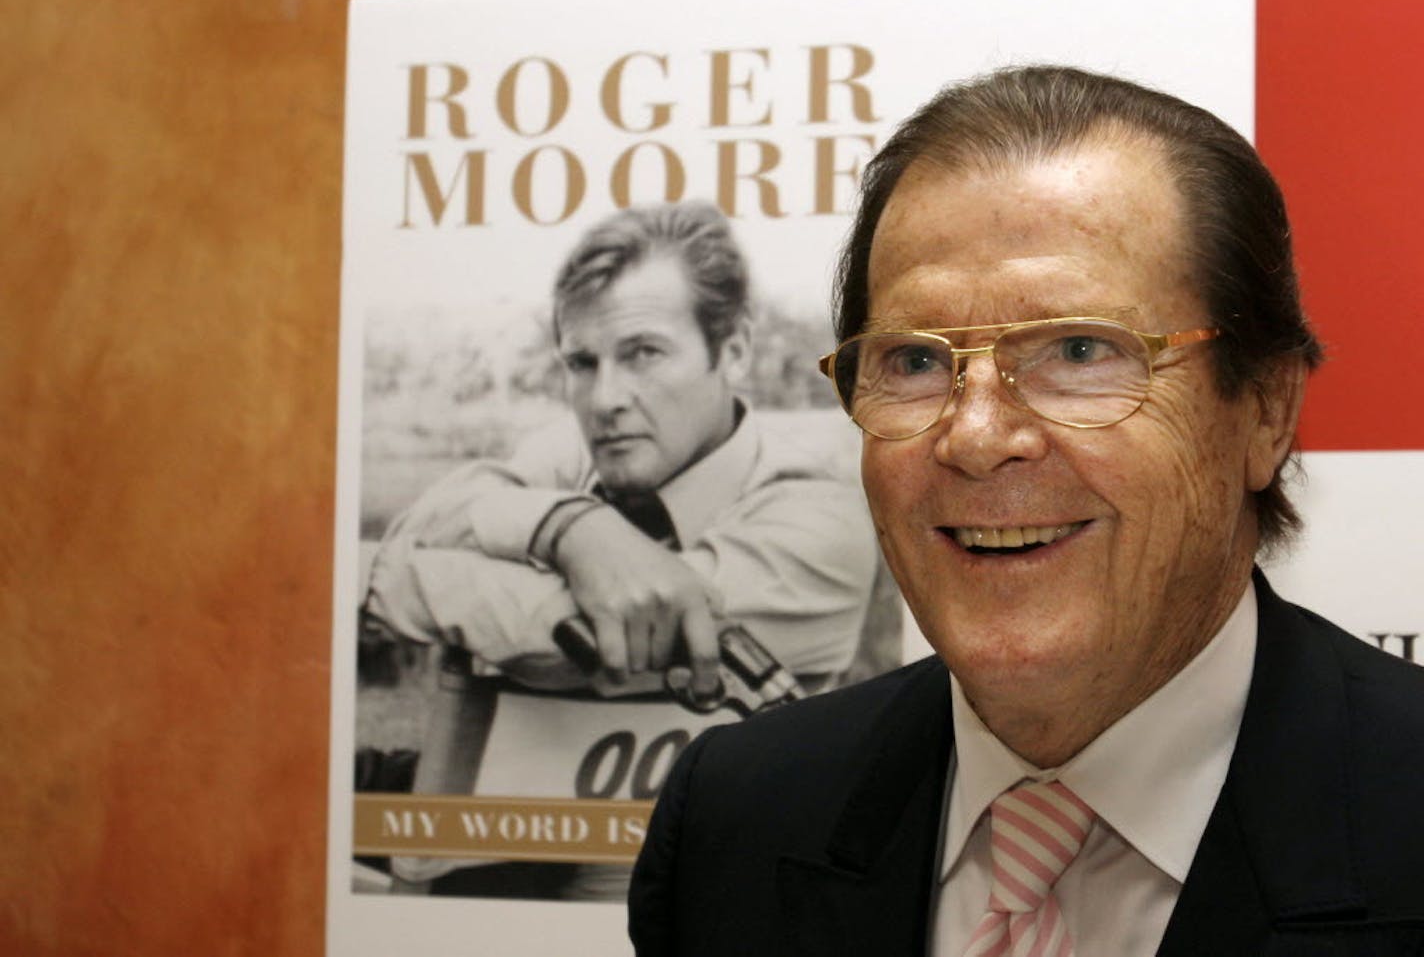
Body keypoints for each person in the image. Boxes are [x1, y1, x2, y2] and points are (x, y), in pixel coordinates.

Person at [628, 66, 1424, 955]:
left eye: (1079, 350)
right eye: (916, 362)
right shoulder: (738, 817)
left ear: (1265, 411)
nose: (974, 437)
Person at [364, 199, 881, 699]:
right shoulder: (578, 452)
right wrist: (570, 527)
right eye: (583, 364)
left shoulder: (823, 524)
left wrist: (368, 575)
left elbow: (576, 643)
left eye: (644, 353)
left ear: (735, 351)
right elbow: (423, 522)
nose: (605, 400)